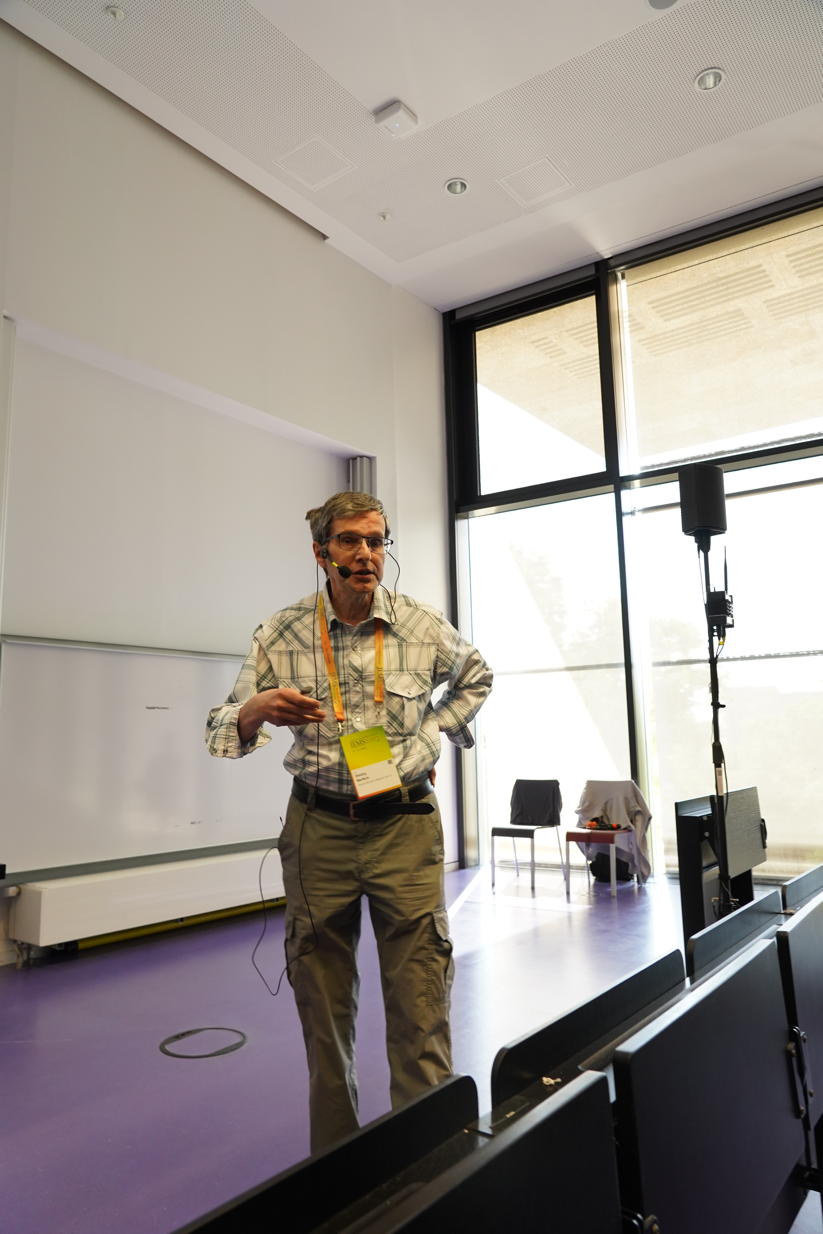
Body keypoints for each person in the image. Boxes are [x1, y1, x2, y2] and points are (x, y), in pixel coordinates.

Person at [205, 491, 492, 1153]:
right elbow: (220, 729)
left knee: (421, 996)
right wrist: (256, 710)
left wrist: (431, 734)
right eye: (349, 541)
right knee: (322, 1003)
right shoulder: (281, 632)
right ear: (321, 553)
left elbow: (476, 677)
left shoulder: (422, 625)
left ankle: (431, 1161)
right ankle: (338, 1164)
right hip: (319, 830)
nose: (365, 554)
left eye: (375, 540)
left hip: (405, 825)